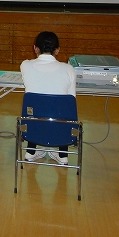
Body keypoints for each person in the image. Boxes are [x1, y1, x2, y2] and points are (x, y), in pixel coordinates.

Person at [19, 31, 76, 165]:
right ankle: (63, 155)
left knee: (34, 108)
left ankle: (30, 152)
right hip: (59, 126)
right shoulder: (69, 69)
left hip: (33, 127)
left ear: (35, 48)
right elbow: (71, 100)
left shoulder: (25, 65)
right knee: (63, 108)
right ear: (57, 50)